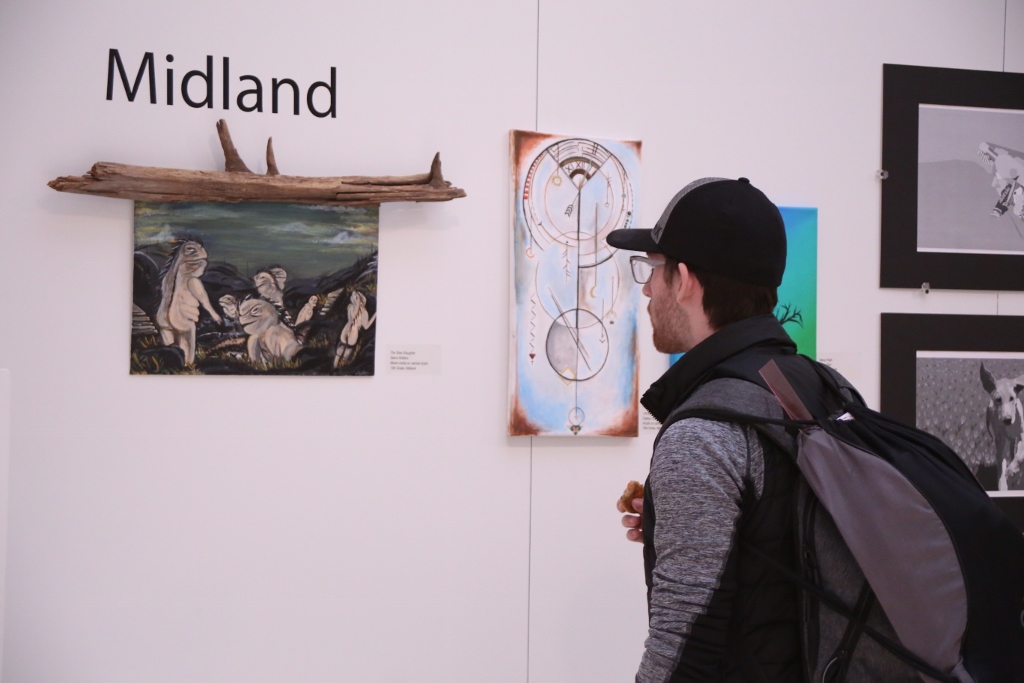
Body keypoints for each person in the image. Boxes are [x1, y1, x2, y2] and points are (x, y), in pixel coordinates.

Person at [606, 178, 914, 682]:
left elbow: (681, 646)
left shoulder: (702, 433)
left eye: (652, 269)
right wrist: (679, 518)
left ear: (683, 280)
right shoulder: (829, 388)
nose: (646, 288)